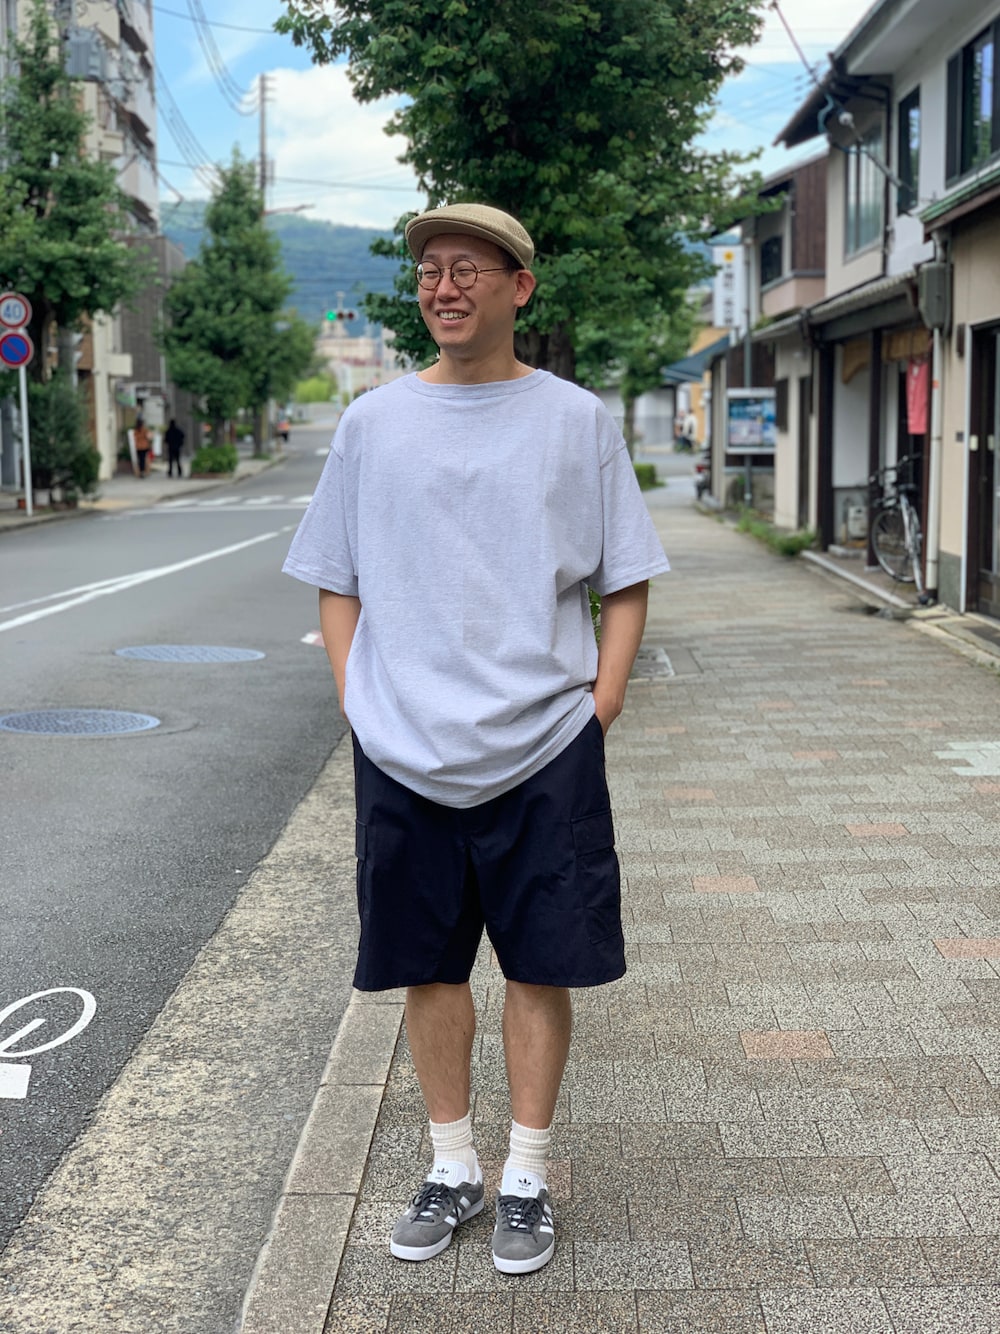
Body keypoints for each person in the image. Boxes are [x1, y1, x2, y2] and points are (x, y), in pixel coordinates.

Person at [282, 203, 670, 1275]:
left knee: (542, 965)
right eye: (428, 271)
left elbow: (626, 577)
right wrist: (357, 699)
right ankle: (451, 1161)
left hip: (545, 742)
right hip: (401, 745)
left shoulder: (575, 420)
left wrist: (601, 703)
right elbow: (335, 580)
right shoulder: (372, 422)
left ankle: (526, 1175)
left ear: (519, 287)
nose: (442, 287)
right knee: (426, 966)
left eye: (467, 269)